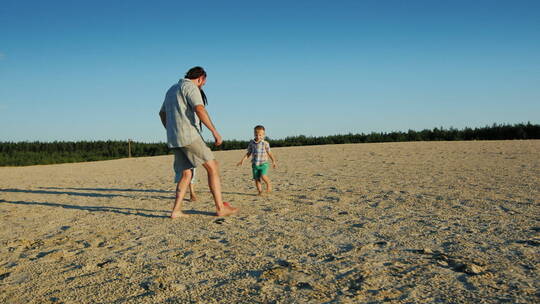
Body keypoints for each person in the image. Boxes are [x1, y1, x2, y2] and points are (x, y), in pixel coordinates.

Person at [159, 66, 238, 218]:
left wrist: (171, 130)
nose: (203, 85)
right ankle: (220, 208)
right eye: (204, 82)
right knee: (212, 166)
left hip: (174, 139)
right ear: (201, 78)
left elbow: (162, 113)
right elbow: (200, 109)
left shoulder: (171, 89)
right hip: (189, 135)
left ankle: (176, 211)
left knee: (186, 174)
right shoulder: (191, 87)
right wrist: (214, 131)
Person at [237, 125, 277, 195]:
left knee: (263, 176)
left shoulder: (265, 143)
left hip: (263, 163)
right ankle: (260, 191)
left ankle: (269, 184)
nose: (258, 136)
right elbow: (249, 153)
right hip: (255, 164)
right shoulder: (251, 143)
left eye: (260, 135)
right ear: (254, 134)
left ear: (264, 135)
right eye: (256, 134)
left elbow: (269, 153)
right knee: (256, 179)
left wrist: (273, 161)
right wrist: (242, 160)